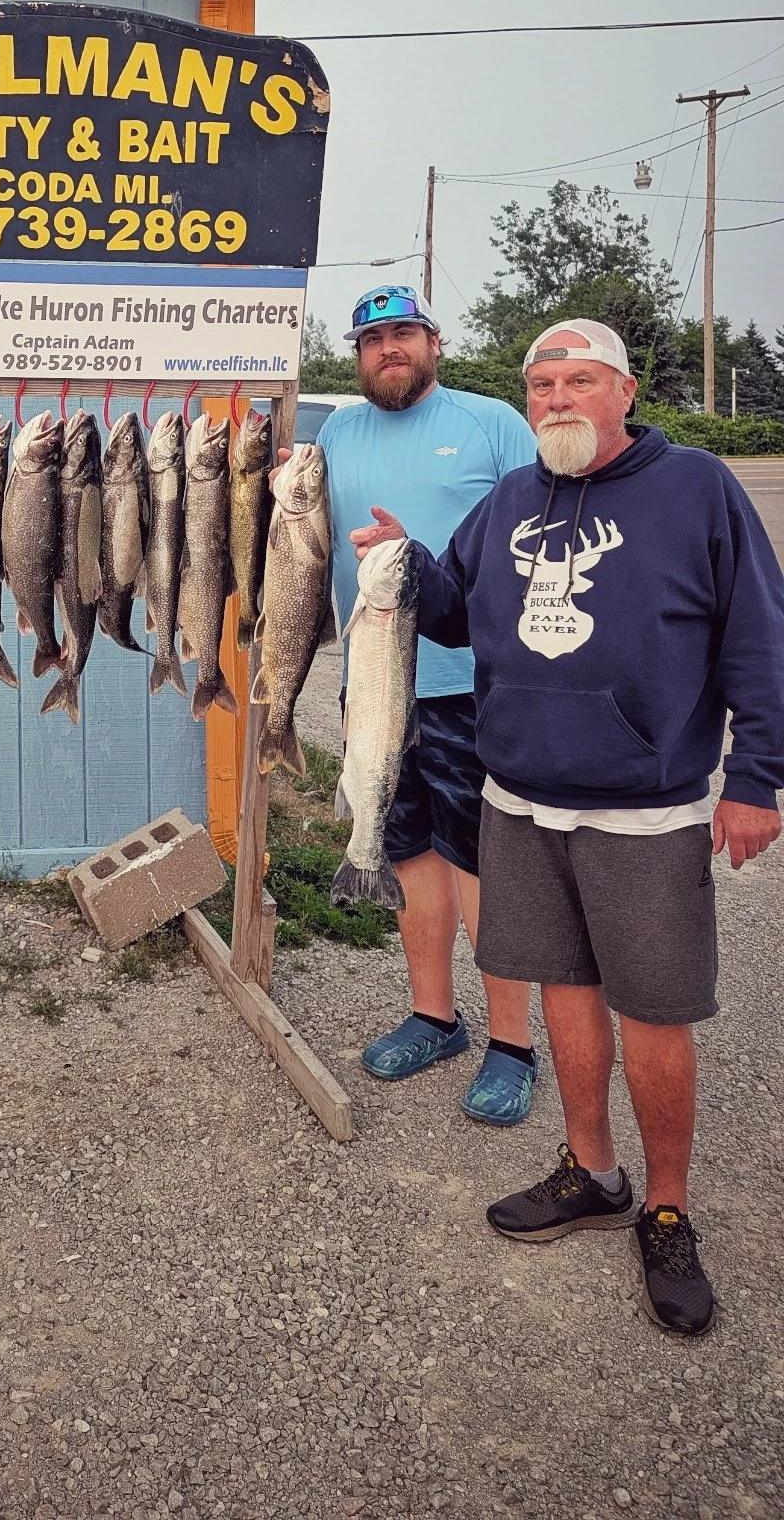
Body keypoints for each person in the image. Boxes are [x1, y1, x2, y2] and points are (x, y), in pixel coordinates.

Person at [352, 319, 784, 1335]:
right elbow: (458, 612)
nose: (554, 399)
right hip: (518, 800)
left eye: (578, 380)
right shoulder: (512, 497)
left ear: (624, 391)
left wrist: (758, 781)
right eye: (540, 382)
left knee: (654, 1015)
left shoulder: (700, 492)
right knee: (567, 998)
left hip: (646, 810)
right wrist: (410, 565)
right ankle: (592, 1169)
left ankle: (668, 1209)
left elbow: (760, 640)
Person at [317, 284, 541, 1124]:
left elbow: (541, 532)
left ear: (434, 343)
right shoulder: (337, 430)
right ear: (359, 355)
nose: (390, 350)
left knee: (482, 861)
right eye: (373, 339)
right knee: (404, 849)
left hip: (470, 686)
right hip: (373, 682)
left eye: (404, 333)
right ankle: (435, 1016)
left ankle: (514, 1044)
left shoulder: (491, 425)